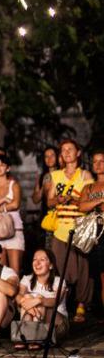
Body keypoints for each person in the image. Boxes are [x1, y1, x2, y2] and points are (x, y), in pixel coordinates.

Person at [44, 138, 93, 324]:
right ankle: (61, 304)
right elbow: (49, 201)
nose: (66, 153)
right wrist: (57, 200)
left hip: (79, 227)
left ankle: (81, 305)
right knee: (58, 268)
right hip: (60, 229)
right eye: (63, 150)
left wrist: (75, 199)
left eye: (70, 149)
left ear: (78, 152)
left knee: (82, 268)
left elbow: (91, 201)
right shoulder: (55, 175)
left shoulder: (85, 175)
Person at [15, 249, 68, 349]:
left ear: (51, 266)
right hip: (35, 317)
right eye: (35, 259)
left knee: (39, 302)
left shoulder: (59, 281)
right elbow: (19, 296)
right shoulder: (27, 279)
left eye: (42, 260)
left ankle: (31, 338)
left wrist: (39, 300)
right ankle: (30, 338)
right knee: (26, 297)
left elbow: (55, 301)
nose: (37, 263)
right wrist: (28, 305)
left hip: (57, 325)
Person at [78, 148, 104, 311]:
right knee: (101, 276)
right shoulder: (88, 187)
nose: (98, 164)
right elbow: (82, 206)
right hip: (97, 233)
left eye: (102, 161)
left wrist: (92, 203)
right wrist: (99, 200)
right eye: (95, 161)